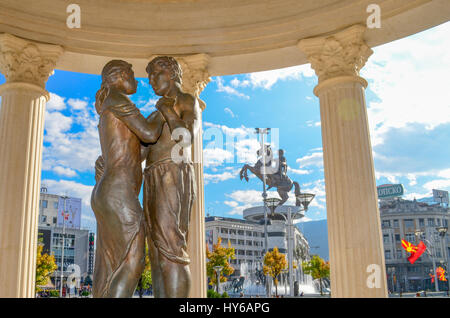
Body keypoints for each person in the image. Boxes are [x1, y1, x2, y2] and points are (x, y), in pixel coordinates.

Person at [91, 60, 165, 297]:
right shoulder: (118, 101)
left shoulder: (109, 106)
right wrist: (163, 112)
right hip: (118, 194)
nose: (136, 80)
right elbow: (151, 133)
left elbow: (138, 152)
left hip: (109, 193)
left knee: (110, 265)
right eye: (132, 75)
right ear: (120, 75)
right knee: (132, 262)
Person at [142, 56, 199, 297]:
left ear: (173, 73)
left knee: (172, 249)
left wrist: (167, 111)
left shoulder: (186, 100)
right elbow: (141, 150)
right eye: (150, 77)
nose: (152, 80)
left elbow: (186, 138)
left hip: (173, 171)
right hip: (152, 175)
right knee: (156, 251)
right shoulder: (156, 110)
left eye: (157, 74)